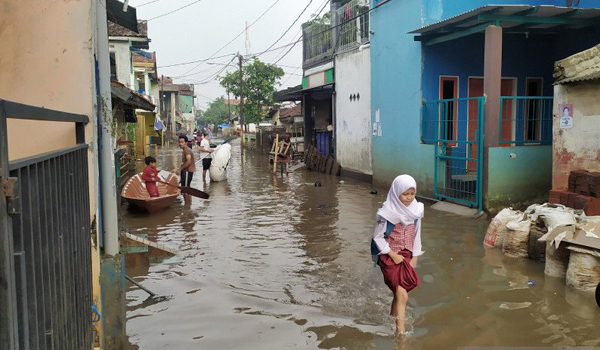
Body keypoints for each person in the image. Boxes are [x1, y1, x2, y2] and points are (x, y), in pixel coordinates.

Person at [371, 174, 424, 335]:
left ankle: (392, 317)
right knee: (402, 294)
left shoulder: (416, 211)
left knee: (399, 293)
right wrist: (392, 255)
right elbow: (377, 239)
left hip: (407, 255)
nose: (408, 198)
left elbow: (417, 236)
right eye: (405, 194)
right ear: (396, 193)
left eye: (412, 194)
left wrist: (414, 257)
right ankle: (400, 334)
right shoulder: (387, 213)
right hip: (388, 257)